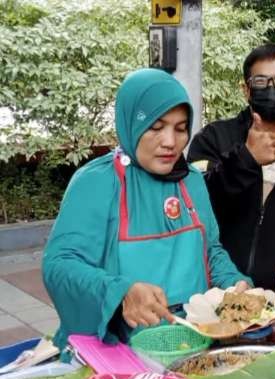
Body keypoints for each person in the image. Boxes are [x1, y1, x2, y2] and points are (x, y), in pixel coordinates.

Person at [42, 69, 251, 351]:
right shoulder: (96, 182)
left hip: (190, 345)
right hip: (119, 350)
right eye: (155, 127)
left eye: (180, 128)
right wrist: (121, 292)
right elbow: (60, 265)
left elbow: (210, 251)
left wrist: (235, 286)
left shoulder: (191, 180)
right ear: (131, 124)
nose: (170, 142)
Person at [188, 44, 275, 291]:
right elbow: (193, 206)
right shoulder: (213, 139)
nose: (272, 89)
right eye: (261, 81)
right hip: (214, 295)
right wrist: (245, 159)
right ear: (246, 90)